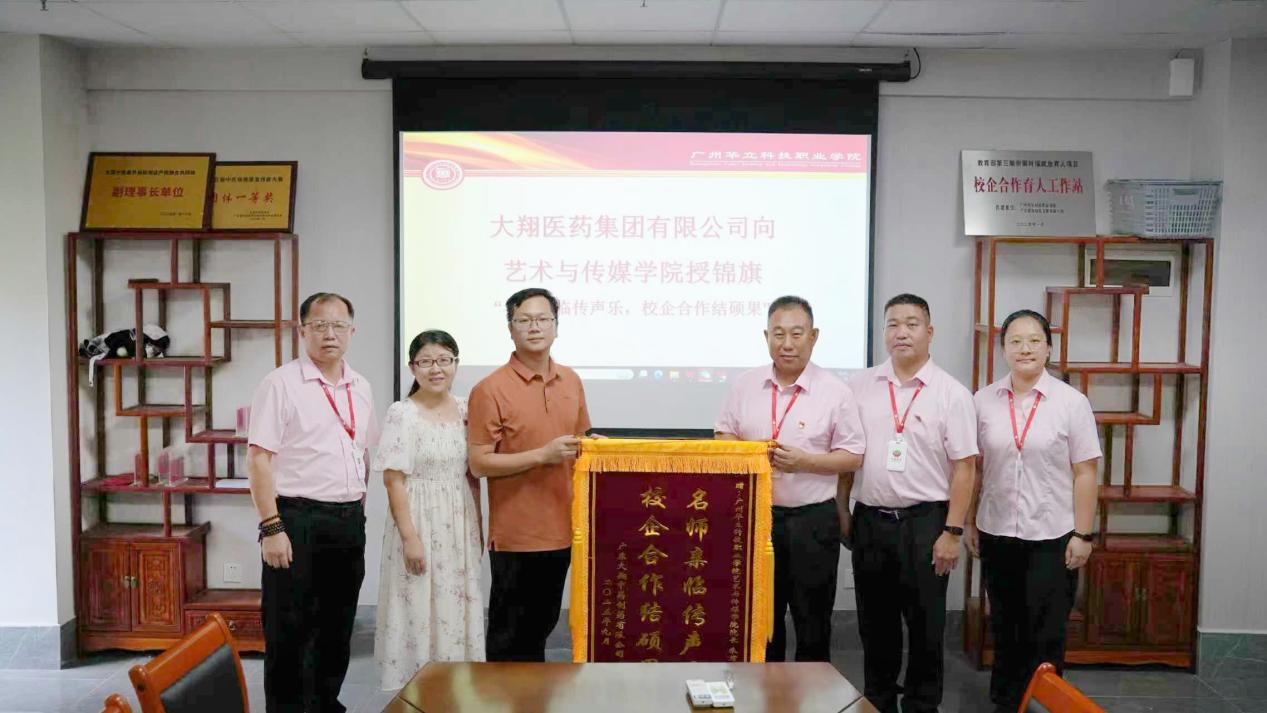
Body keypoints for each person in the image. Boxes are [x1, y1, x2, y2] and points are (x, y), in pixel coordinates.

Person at [843, 293, 977, 713]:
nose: (901, 332)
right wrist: (842, 509)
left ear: (929, 332)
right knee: (874, 625)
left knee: (926, 626)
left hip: (927, 523)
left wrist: (952, 531)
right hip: (871, 520)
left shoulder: (951, 394)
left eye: (912, 324)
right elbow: (848, 455)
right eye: (893, 324)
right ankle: (878, 702)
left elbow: (966, 468)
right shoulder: (859, 387)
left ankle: (922, 705)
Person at [247, 292, 379, 713]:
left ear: (352, 331)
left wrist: (357, 511)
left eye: (339, 326)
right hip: (296, 519)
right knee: (289, 630)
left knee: (336, 628)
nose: (329, 334)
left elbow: (362, 452)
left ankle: (325, 705)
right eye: (319, 325)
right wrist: (272, 526)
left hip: (347, 521)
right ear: (302, 331)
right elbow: (259, 459)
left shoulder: (361, 387)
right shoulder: (281, 384)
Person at [714, 295, 865, 662]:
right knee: (761, 621)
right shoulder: (745, 384)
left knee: (812, 622)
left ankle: (810, 690)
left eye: (797, 334)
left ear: (813, 336)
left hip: (812, 521)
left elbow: (853, 455)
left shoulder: (835, 391)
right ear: (766, 336)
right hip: (756, 519)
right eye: (778, 334)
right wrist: (748, 455)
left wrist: (805, 462)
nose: (787, 343)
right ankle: (765, 690)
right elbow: (723, 434)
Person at [967, 309, 1100, 712]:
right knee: (1005, 626)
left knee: (1046, 632)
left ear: (1049, 348)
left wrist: (1083, 534)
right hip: (997, 531)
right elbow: (975, 469)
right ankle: (1007, 702)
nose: (1024, 349)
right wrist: (969, 523)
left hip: (1052, 535)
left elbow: (1086, 472)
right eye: (1015, 341)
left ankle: (1044, 704)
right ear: (1003, 349)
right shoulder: (982, 401)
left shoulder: (1071, 403)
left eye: (1034, 341)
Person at [467, 287, 592, 662]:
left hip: (564, 528)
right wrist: (542, 455)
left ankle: (533, 695)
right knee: (510, 639)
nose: (534, 327)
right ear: (510, 328)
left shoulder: (571, 380)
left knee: (541, 629)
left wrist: (592, 446)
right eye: (524, 320)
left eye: (543, 319)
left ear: (556, 326)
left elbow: (579, 440)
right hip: (517, 535)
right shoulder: (489, 389)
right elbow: (479, 463)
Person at [373, 330, 485, 690]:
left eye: (444, 360)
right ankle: (418, 691)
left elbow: (472, 475)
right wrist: (409, 538)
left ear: (456, 363)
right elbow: (393, 480)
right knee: (417, 604)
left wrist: (479, 525)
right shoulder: (402, 414)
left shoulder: (467, 410)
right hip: (418, 520)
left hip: (459, 521)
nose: (436, 369)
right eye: (426, 362)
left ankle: (455, 688)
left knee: (456, 602)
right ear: (412, 367)